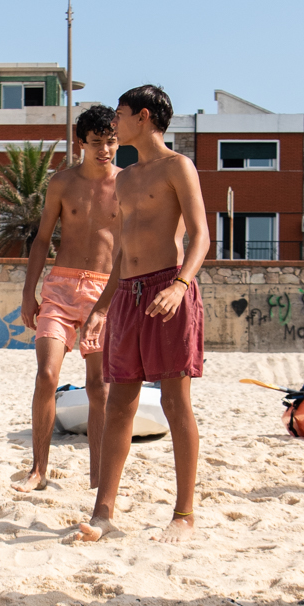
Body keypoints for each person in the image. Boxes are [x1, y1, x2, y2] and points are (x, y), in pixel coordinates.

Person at [75, 85, 209, 543]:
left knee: (175, 404)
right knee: (119, 404)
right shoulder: (126, 178)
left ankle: (184, 514)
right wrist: (100, 308)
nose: (114, 123)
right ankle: (103, 513)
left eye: (121, 114)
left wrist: (179, 285)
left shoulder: (178, 167)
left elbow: (201, 236)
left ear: (144, 117)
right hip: (128, 295)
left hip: (168, 290)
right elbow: (123, 250)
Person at [12, 105, 123, 493]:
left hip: (103, 291)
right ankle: (38, 470)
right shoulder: (61, 182)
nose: (105, 150)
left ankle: (97, 477)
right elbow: (42, 239)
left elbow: (130, 247)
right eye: (97, 143)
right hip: (59, 288)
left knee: (100, 387)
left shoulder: (128, 185)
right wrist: (29, 292)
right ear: (81, 143)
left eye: (111, 141)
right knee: (46, 375)